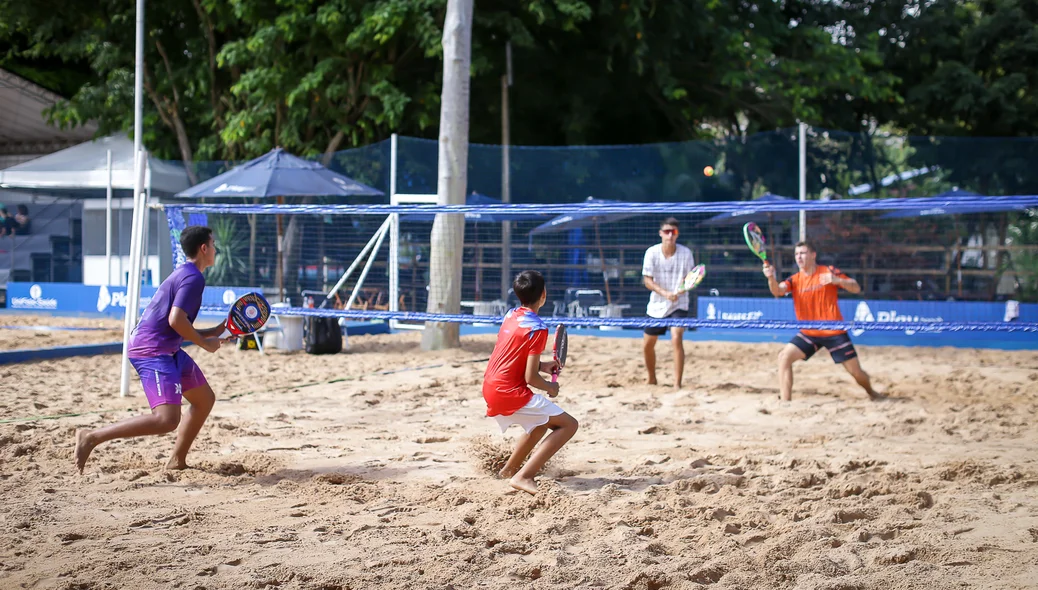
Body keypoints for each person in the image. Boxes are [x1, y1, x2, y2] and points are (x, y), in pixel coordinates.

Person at [75, 226, 226, 473]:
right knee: (166, 420)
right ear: (203, 248)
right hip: (152, 350)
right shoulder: (193, 278)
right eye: (213, 244)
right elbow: (176, 321)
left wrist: (215, 331)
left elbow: (179, 323)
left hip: (167, 348)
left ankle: (177, 461)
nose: (215, 249)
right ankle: (91, 437)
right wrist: (204, 344)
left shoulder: (185, 273)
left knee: (204, 400)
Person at [483, 270, 579, 495]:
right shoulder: (537, 328)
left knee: (540, 423)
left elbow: (515, 356)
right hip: (509, 391)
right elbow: (530, 379)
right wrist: (550, 386)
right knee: (569, 425)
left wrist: (543, 365)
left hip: (491, 385)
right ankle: (524, 476)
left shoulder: (511, 314)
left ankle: (508, 471)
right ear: (544, 295)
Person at [763, 240, 882, 401]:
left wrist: (838, 281)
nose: (799, 257)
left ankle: (871, 392)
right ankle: (785, 402)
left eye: (803, 253)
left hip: (833, 330)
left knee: (856, 373)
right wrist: (770, 277)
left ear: (813, 255)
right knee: (784, 357)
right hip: (809, 332)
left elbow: (856, 287)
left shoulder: (828, 271)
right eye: (797, 254)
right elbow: (777, 291)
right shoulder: (795, 279)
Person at [642, 217, 696, 389]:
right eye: (667, 232)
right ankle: (652, 378)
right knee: (648, 345)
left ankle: (677, 384)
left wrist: (680, 291)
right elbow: (647, 281)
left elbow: (691, 279)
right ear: (660, 233)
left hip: (679, 303)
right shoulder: (651, 252)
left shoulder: (686, 253)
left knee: (676, 338)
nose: (670, 235)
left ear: (677, 234)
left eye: (674, 232)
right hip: (657, 304)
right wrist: (665, 293)